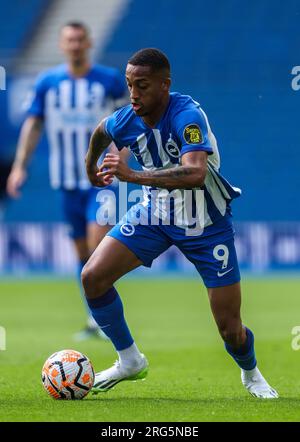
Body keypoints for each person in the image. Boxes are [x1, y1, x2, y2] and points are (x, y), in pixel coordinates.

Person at [82, 48, 278, 398]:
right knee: (93, 277)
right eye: (129, 85)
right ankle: (129, 360)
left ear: (164, 85)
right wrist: (89, 167)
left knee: (230, 329)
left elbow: (195, 173)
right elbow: (101, 131)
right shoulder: (127, 118)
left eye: (142, 86)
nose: (134, 94)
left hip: (206, 223)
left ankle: (251, 373)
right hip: (155, 215)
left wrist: (133, 175)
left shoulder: (187, 115)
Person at [6, 21, 127, 340]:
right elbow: (33, 126)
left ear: (88, 43)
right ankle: (95, 316)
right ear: (62, 45)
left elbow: (127, 126)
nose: (75, 45)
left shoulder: (109, 81)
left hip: (101, 181)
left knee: (97, 247)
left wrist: (122, 162)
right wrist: (19, 167)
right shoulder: (48, 82)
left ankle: (105, 319)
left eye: (79, 39)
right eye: (69, 40)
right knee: (82, 256)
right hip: (67, 182)